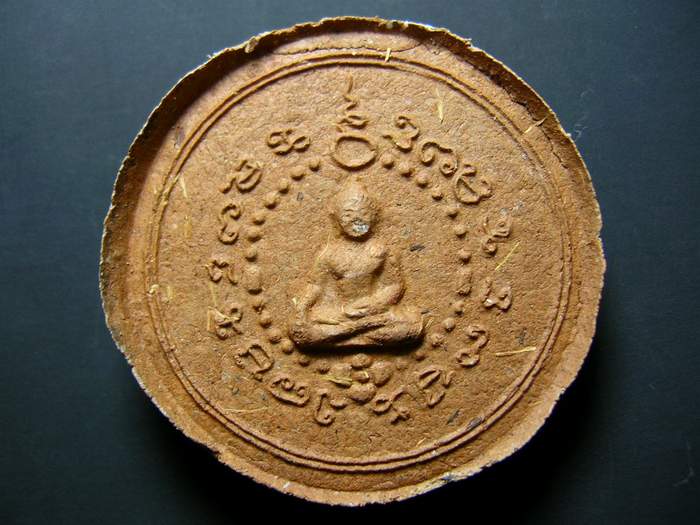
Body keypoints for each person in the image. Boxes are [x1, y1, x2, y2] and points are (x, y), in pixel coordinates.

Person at [289, 176, 424, 349]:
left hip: (372, 314)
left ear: (373, 216)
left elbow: (394, 285)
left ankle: (344, 337)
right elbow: (315, 286)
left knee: (411, 326)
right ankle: (357, 334)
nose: (356, 219)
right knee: (298, 331)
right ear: (338, 219)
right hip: (340, 315)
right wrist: (301, 309)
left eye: (363, 213)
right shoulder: (329, 253)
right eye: (348, 214)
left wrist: (376, 304)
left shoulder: (383, 250)